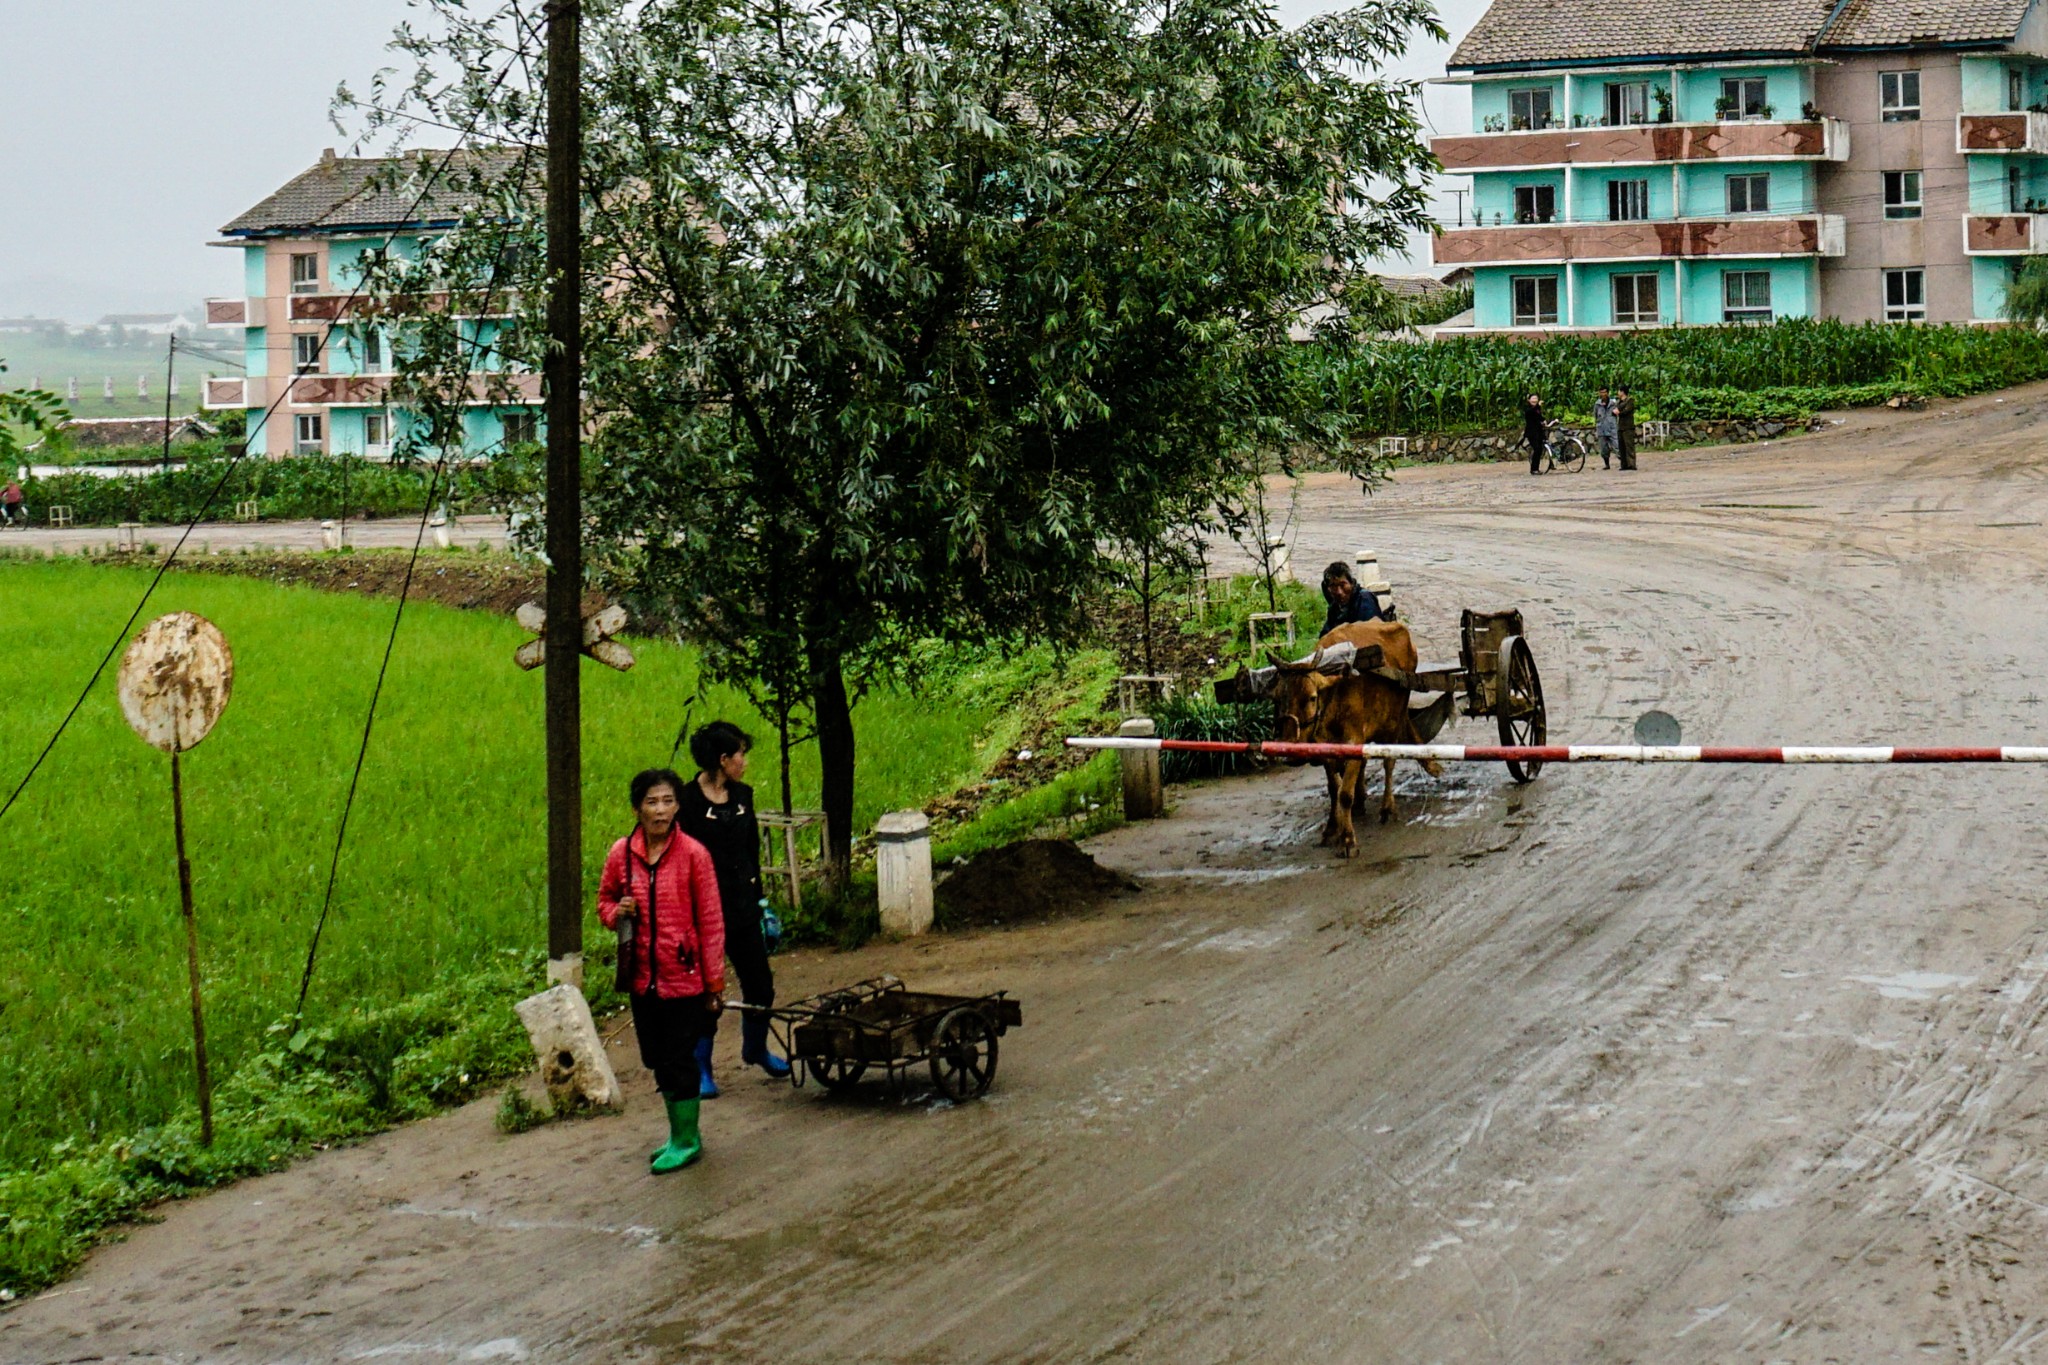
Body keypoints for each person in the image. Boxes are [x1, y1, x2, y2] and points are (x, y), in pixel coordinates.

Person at [597, 768, 727, 1174]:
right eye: (652, 802)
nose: (660, 810)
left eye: (668, 801)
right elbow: (604, 902)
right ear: (637, 808)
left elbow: (710, 921)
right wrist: (617, 913)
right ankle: (677, 1133)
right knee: (656, 1058)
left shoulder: (693, 855)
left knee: (678, 1058)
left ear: (678, 807)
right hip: (642, 979)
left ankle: (687, 1140)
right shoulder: (622, 854)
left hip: (684, 978)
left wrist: (713, 982)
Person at [676, 721, 791, 1092]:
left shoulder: (743, 796)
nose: (745, 761)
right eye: (740, 754)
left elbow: (750, 850)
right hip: (702, 912)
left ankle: (755, 1048)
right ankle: (701, 1068)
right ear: (723, 759)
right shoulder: (686, 803)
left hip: (742, 907)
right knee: (705, 991)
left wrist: (761, 901)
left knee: (760, 982)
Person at [1320, 561, 1388, 634]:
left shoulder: (1365, 600)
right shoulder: (1335, 608)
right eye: (1333, 586)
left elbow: (1371, 632)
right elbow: (1326, 635)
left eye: (1343, 585)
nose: (1339, 592)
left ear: (1351, 583)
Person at [1593, 388, 1619, 471]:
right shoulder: (1597, 404)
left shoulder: (1613, 403)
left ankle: (1623, 462)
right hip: (1601, 428)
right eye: (1601, 392)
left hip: (1612, 427)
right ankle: (1606, 464)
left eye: (1604, 392)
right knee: (1603, 448)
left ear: (1607, 393)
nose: (1602, 394)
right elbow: (1595, 415)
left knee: (1616, 446)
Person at [1522, 394, 1547, 475]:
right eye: (1533, 398)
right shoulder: (1528, 409)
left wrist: (1544, 421)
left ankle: (1537, 468)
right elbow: (1531, 413)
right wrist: (1538, 406)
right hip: (1531, 433)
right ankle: (1534, 469)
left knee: (1540, 449)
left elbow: (1539, 417)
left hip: (1539, 432)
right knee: (1537, 449)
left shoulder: (1537, 409)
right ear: (1529, 400)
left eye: (1536, 398)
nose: (1534, 400)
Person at [1616, 387, 1639, 471]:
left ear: (1622, 392)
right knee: (1622, 447)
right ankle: (1624, 464)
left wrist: (1619, 412)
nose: (1618, 393)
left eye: (1619, 391)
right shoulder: (1619, 402)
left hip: (1628, 427)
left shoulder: (1630, 400)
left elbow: (1626, 411)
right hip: (1621, 427)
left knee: (1629, 446)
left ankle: (1632, 464)